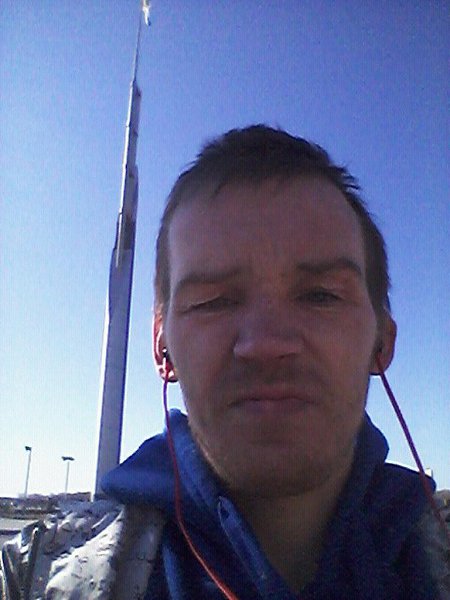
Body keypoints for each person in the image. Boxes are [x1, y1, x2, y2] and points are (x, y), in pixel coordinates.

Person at [1, 125, 449, 599]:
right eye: (213, 301)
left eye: (320, 295)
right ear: (161, 347)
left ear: (383, 340)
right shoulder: (34, 575)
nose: (266, 343)